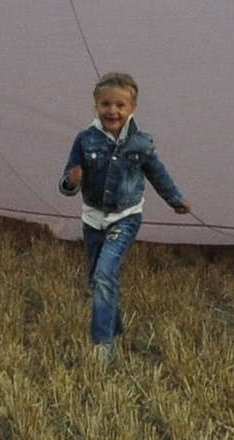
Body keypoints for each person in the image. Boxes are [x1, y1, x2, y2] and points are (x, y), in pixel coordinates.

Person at [58, 73, 192, 352]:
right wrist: (72, 181)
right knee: (96, 278)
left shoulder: (140, 143)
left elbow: (158, 174)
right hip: (93, 218)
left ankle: (102, 343)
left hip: (125, 217)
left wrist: (175, 199)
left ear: (133, 108)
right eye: (106, 104)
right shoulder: (85, 140)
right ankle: (113, 326)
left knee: (105, 274)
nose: (113, 111)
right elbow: (67, 182)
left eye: (120, 105)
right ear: (96, 105)